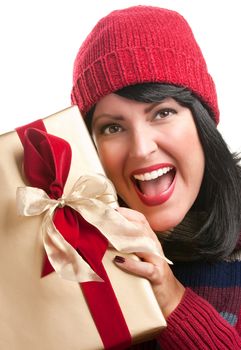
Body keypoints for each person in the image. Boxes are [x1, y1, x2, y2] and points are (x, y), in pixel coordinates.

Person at [71, 5, 241, 349]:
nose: (141, 148)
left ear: (201, 123)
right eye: (113, 127)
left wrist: (170, 296)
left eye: (163, 112)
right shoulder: (72, 253)